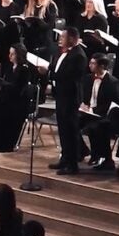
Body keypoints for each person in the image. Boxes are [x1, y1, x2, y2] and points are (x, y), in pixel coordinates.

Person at [44, 27, 88, 175]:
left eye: (63, 37)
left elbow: (69, 77)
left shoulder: (79, 56)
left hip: (71, 97)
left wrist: (50, 73)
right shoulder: (60, 52)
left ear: (71, 39)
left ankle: (72, 164)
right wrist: (47, 70)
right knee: (62, 130)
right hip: (61, 95)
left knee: (71, 131)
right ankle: (65, 159)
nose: (60, 39)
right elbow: (56, 69)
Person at [79, 53, 119, 171]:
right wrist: (84, 105)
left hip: (103, 115)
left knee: (95, 127)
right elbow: (85, 96)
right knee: (70, 121)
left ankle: (100, 156)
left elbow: (111, 103)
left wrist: (92, 110)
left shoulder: (112, 82)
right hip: (88, 112)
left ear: (102, 66)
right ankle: (82, 150)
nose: (90, 65)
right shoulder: (87, 78)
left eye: (93, 63)